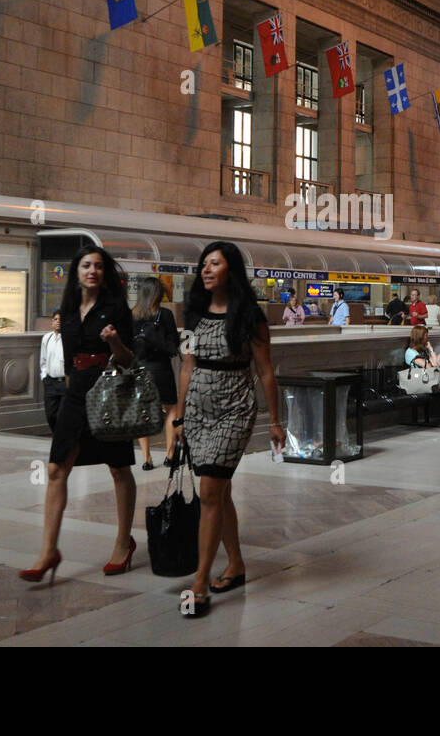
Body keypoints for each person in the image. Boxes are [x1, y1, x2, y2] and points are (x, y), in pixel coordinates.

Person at [174, 241, 284, 618]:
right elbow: (187, 366)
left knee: (209, 491)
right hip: (198, 411)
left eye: (214, 264)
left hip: (234, 409)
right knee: (218, 493)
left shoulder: (250, 315)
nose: (205, 270)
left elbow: (265, 370)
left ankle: (200, 581)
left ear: (230, 270)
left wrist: (274, 420)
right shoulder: (194, 312)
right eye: (203, 264)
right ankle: (235, 563)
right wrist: (180, 418)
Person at [20, 247, 138, 586]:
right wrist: (71, 396)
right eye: (87, 265)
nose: (93, 271)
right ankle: (48, 551)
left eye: (99, 266)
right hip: (76, 394)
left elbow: (128, 360)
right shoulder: (68, 310)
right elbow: (71, 360)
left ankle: (122, 541)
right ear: (76, 271)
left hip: (109, 392)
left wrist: (114, 341)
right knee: (56, 468)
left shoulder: (116, 308)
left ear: (105, 274)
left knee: (118, 468)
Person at [132, 277, 180, 471]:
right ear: (158, 293)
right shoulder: (165, 314)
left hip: (140, 370)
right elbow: (173, 345)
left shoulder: (131, 315)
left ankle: (146, 458)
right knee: (171, 410)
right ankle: (169, 455)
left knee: (143, 413)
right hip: (161, 369)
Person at [39, 312, 65, 431]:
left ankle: (61, 440)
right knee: (51, 415)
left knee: (62, 416)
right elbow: (43, 360)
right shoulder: (47, 338)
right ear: (52, 322)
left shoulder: (68, 339)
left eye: (61, 319)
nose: (58, 321)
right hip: (50, 383)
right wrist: (44, 377)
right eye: (55, 319)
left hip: (65, 383)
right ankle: (58, 437)